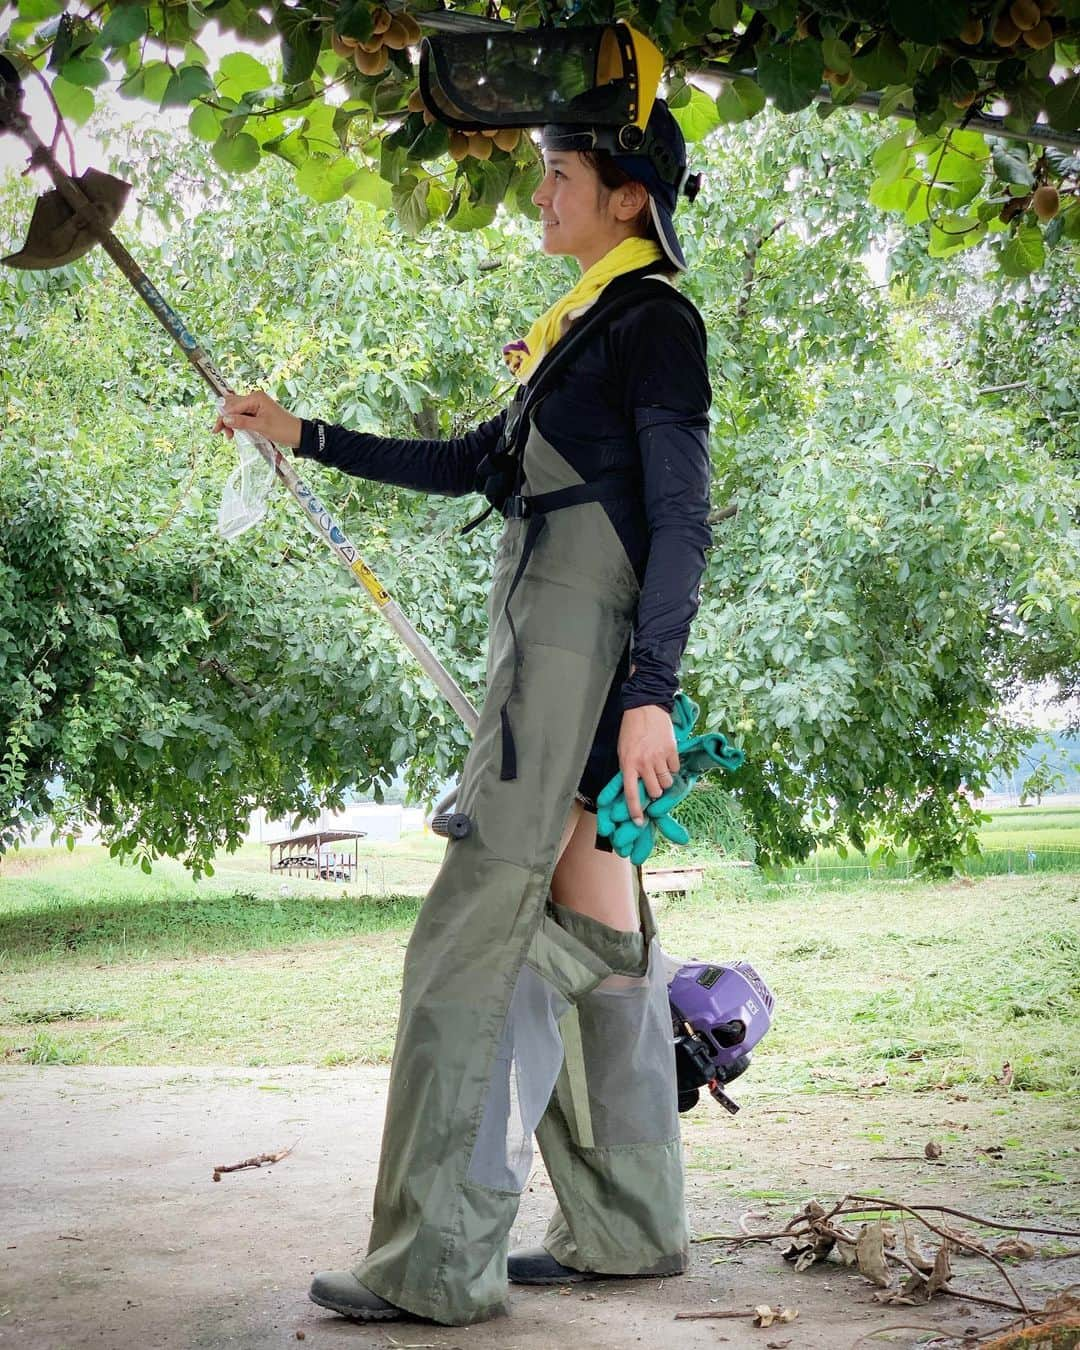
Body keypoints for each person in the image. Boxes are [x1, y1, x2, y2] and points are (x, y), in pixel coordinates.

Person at [215, 95, 711, 1327]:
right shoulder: (581, 333)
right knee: (600, 947)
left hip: (579, 662)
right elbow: (468, 461)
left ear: (627, 197)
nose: (538, 195)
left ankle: (434, 1262)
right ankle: (629, 1228)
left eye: (559, 175)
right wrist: (303, 435)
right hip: (555, 652)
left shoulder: (653, 324)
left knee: (465, 947)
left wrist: (650, 695)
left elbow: (683, 519)